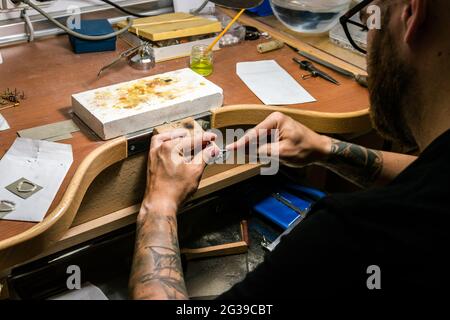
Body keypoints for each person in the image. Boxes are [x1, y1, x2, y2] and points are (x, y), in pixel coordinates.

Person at [129, 0, 450, 299]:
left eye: (370, 13)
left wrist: (159, 205)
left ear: (411, 13)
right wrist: (325, 148)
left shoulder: (351, 236)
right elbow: (425, 179)